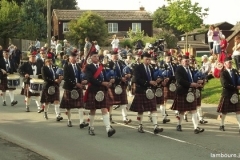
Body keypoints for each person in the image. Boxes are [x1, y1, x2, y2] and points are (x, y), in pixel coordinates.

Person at [129, 52, 163, 134]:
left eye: (149, 59)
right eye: (146, 59)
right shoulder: (138, 68)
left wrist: (157, 81)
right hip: (141, 90)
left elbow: (152, 77)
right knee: (140, 110)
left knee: (153, 108)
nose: (148, 61)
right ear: (142, 59)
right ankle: (140, 125)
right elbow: (137, 79)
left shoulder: (151, 68)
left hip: (150, 91)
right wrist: (148, 82)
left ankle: (155, 126)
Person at [84, 51, 116, 137]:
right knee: (93, 110)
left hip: (102, 90)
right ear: (91, 58)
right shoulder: (89, 67)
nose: (96, 58)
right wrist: (102, 83)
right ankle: (91, 127)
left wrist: (110, 81)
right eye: (94, 56)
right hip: (94, 89)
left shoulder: (102, 67)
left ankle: (108, 129)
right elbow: (90, 78)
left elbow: (105, 77)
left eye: (97, 56)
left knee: (104, 109)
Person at [171, 55, 204, 134]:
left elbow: (193, 78)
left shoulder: (191, 69)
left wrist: (198, 81)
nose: (187, 62)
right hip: (182, 91)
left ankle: (196, 127)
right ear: (182, 62)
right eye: (186, 61)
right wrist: (190, 84)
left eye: (188, 61)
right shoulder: (179, 69)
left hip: (191, 92)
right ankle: (179, 124)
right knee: (182, 111)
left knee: (193, 110)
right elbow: (180, 80)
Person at [60, 52, 89, 128]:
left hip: (78, 88)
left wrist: (83, 81)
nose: (74, 59)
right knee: (68, 106)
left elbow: (81, 76)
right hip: (69, 87)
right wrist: (75, 84)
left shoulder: (78, 66)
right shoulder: (66, 67)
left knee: (81, 105)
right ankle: (69, 120)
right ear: (69, 58)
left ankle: (81, 122)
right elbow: (66, 78)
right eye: (73, 57)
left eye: (75, 57)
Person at [217, 57, 240, 133]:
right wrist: (235, 87)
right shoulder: (223, 73)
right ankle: (222, 124)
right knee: (224, 111)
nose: (230, 64)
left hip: (235, 94)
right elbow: (225, 84)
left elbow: (238, 80)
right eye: (229, 62)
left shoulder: (235, 71)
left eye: (231, 62)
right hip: (227, 93)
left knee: (238, 111)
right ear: (225, 64)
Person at [108, 51, 132, 124]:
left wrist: (127, 75)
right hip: (113, 85)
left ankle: (125, 118)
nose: (115, 56)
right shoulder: (109, 64)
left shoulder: (121, 62)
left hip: (121, 84)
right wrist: (120, 78)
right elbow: (109, 75)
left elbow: (126, 70)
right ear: (111, 56)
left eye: (116, 55)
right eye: (114, 55)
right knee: (111, 103)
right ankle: (109, 117)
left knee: (123, 102)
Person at [40, 55, 63, 121]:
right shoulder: (43, 68)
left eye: (51, 61)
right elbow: (45, 78)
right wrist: (53, 80)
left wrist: (59, 78)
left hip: (55, 86)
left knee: (57, 100)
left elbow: (56, 75)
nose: (50, 62)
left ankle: (58, 115)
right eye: (48, 61)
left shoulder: (54, 68)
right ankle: (45, 112)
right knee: (47, 102)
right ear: (45, 62)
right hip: (47, 86)